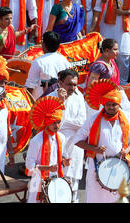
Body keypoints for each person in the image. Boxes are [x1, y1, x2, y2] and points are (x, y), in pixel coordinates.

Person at [74, 79, 130, 203]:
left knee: (116, 199)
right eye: (108, 104)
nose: (111, 107)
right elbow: (77, 140)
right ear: (103, 104)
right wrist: (94, 149)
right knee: (94, 198)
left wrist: (126, 151)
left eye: (114, 104)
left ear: (119, 104)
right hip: (96, 165)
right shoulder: (93, 119)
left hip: (118, 165)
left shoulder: (125, 119)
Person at [46, 69, 86, 203]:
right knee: (55, 185)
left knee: (73, 185)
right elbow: (51, 125)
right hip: (55, 146)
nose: (73, 88)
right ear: (60, 82)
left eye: (75, 84)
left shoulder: (79, 95)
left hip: (75, 147)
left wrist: (63, 123)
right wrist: (61, 103)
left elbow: (82, 122)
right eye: (69, 84)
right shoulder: (51, 98)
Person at [25, 96, 71, 203]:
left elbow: (60, 159)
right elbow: (29, 166)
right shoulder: (36, 140)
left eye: (59, 122)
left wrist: (64, 162)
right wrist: (47, 168)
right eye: (53, 122)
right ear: (46, 121)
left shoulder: (62, 137)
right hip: (37, 182)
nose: (57, 125)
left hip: (56, 180)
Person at [25, 31, 72, 98]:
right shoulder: (65, 61)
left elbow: (30, 86)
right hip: (60, 102)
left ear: (44, 45)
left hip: (41, 103)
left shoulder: (38, 62)